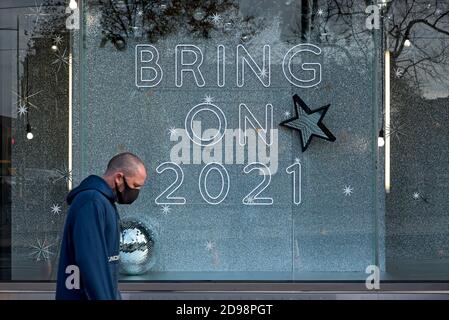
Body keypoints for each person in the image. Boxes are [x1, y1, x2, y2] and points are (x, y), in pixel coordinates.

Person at [55, 152, 147, 300]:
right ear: (118, 178)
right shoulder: (91, 202)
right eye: (135, 185)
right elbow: (91, 263)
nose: (136, 192)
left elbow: (106, 268)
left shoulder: (103, 203)